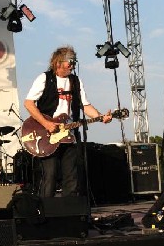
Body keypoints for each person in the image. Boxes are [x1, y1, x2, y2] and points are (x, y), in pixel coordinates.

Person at [24, 45, 112, 198]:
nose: (72, 65)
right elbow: (29, 103)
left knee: (71, 176)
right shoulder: (44, 78)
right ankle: (46, 211)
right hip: (47, 135)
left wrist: (100, 116)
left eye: (74, 61)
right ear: (58, 62)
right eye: (69, 61)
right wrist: (46, 124)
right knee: (49, 176)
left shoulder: (76, 81)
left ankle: (69, 213)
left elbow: (85, 105)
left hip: (69, 134)